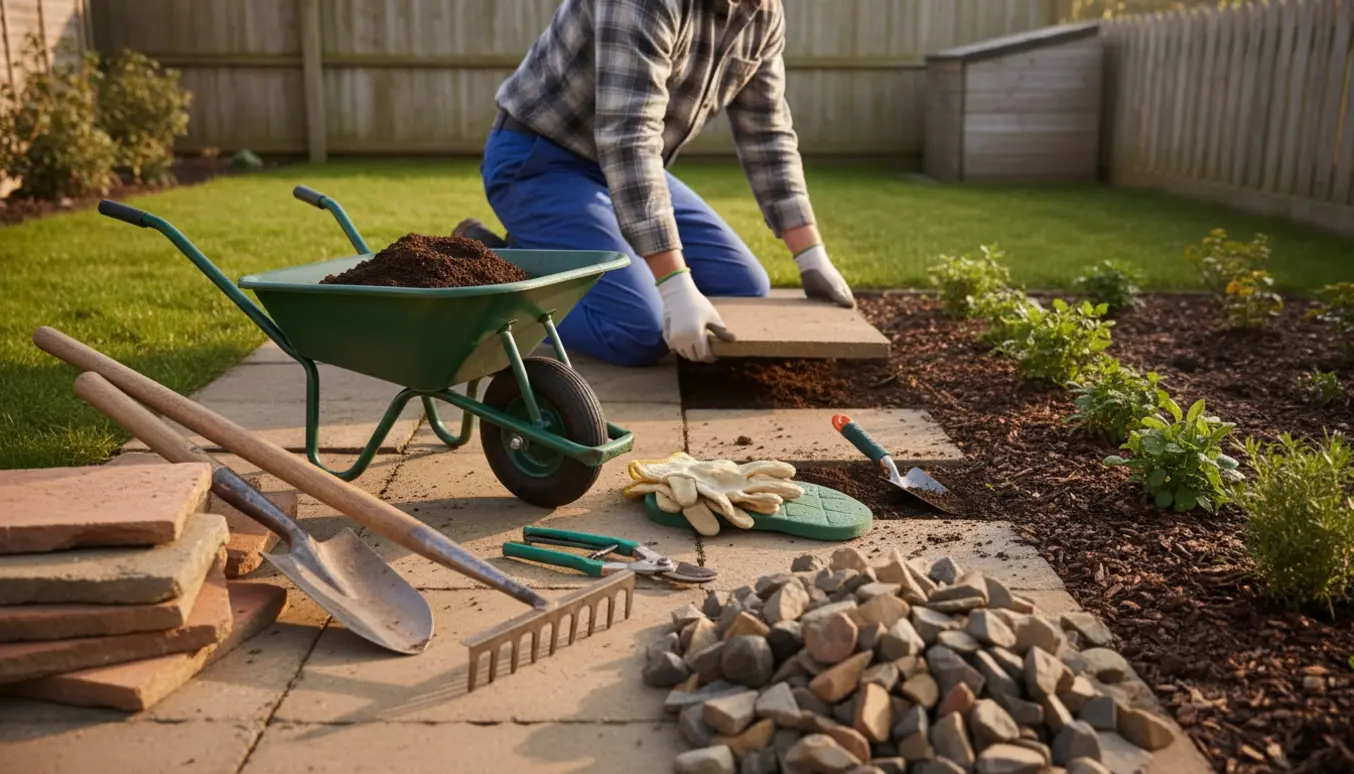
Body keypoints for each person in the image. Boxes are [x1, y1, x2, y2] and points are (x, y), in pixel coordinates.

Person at [454, 0, 855, 367]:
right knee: (637, 331)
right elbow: (629, 137)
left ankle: (557, 249)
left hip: (628, 167)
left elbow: (767, 133)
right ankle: (494, 265)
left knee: (744, 287)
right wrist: (675, 285)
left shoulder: (761, 11)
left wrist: (811, 257)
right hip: (542, 159)